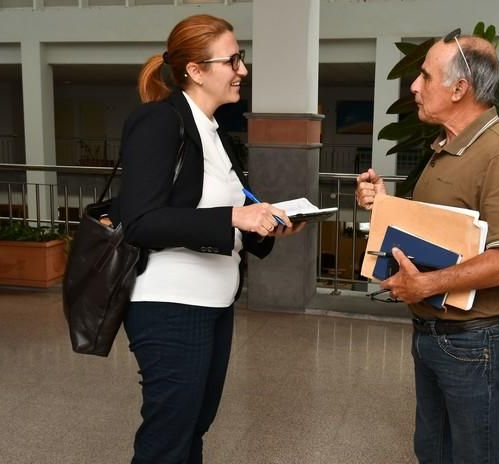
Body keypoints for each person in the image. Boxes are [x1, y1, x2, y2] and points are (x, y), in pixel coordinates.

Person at [112, 14, 302, 464]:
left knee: (193, 427)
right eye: (232, 60)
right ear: (195, 71)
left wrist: (268, 224)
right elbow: (141, 221)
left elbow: (224, 218)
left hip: (215, 304)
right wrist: (236, 215)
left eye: (242, 58)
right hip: (169, 305)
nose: (243, 70)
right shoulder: (159, 122)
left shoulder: (216, 134)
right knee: (168, 439)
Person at [356, 31, 499, 463]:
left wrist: (427, 284)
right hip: (434, 335)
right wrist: (383, 204)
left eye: (424, 76)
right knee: (434, 452)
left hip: (475, 342)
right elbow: (439, 233)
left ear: (460, 89)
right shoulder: (446, 149)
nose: (414, 86)